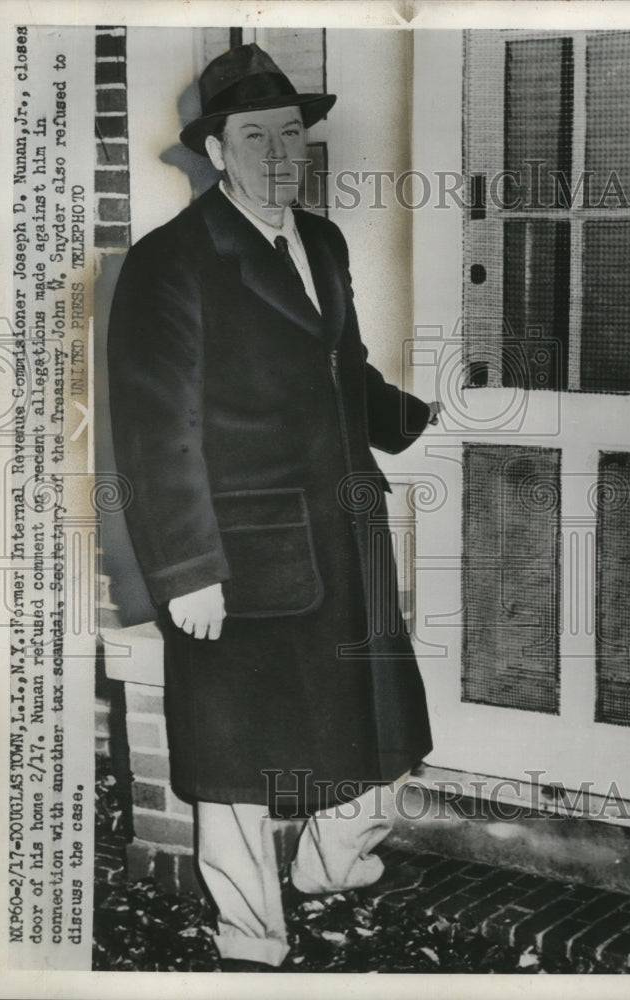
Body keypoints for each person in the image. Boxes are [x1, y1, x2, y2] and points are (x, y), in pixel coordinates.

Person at [107, 42, 440, 970]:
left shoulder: (321, 242)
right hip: (236, 552)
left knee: (372, 724)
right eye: (253, 137)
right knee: (236, 761)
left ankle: (332, 867)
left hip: (340, 531)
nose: (278, 154)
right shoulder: (170, 263)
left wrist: (411, 418)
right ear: (216, 151)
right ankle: (251, 938)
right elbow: (152, 428)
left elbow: (341, 369)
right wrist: (186, 571)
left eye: (291, 134)